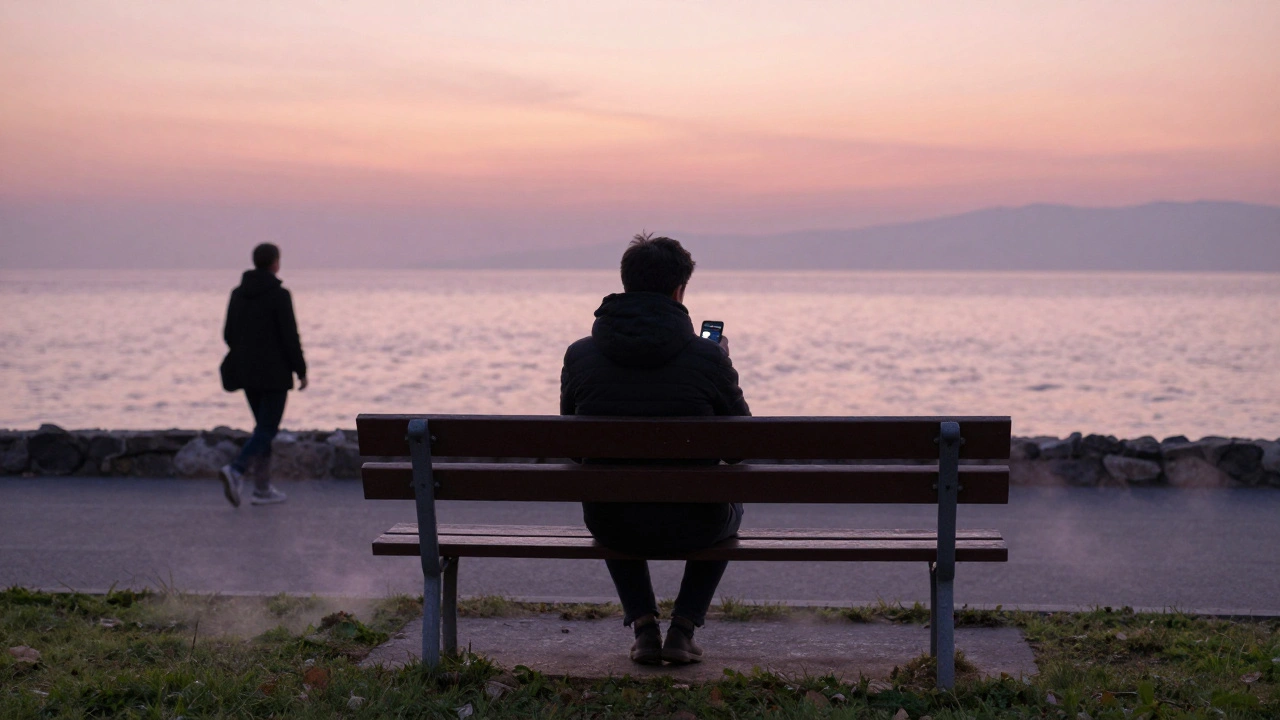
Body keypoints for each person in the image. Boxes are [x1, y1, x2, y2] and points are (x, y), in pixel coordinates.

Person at [560, 233, 750, 665]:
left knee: (611, 492)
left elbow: (573, 449)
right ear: (679, 290)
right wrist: (724, 362)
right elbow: (739, 449)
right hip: (697, 523)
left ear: (626, 284)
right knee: (727, 501)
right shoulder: (706, 358)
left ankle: (645, 629)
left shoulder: (580, 355)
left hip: (613, 523)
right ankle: (683, 629)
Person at [218, 242, 307, 507]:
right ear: (275, 263)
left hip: (246, 372)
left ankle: (262, 488)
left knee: (262, 429)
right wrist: (301, 370)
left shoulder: (238, 293)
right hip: (275, 374)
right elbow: (290, 336)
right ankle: (236, 469)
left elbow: (228, 335)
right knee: (268, 428)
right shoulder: (280, 295)